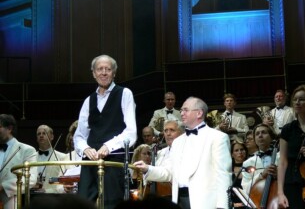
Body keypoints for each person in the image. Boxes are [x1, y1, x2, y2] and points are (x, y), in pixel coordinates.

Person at [134, 96, 231, 209]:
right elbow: (170, 172)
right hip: (179, 200)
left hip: (205, 202)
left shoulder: (218, 137)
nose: (182, 113)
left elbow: (223, 175)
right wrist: (148, 169)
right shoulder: (178, 142)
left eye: (185, 110)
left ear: (199, 113)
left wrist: (223, 206)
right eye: (181, 110)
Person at [73, 54, 137, 209]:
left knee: (112, 204)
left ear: (114, 73)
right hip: (90, 162)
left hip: (113, 161)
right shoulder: (88, 100)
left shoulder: (125, 93)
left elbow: (131, 132)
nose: (103, 72)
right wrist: (86, 148)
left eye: (108, 69)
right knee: (83, 204)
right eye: (99, 69)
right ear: (94, 73)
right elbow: (79, 136)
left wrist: (109, 146)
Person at [278, 84, 305, 209]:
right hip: (292, 181)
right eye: (295, 99)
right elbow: (282, 162)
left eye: (302, 99)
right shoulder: (288, 129)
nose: (297, 102)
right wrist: (280, 193)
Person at [0, 114, 37, 209]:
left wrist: (4, 186)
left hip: (10, 200)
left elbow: (31, 179)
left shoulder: (27, 150)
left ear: (9, 128)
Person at [241, 123, 279, 195]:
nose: (260, 135)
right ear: (255, 140)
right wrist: (261, 176)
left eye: (264, 132)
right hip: (258, 199)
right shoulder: (248, 163)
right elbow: (245, 189)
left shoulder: (282, 157)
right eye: (257, 134)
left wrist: (278, 175)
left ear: (272, 137)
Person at [32, 124, 68, 194]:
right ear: (36, 138)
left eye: (44, 133)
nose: (41, 135)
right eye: (39, 134)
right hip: (33, 197)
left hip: (54, 198)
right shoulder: (31, 157)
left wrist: (46, 191)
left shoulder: (62, 157)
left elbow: (63, 183)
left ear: (52, 137)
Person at [230, 140, 248, 208]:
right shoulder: (228, 170)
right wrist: (232, 204)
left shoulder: (252, 165)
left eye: (242, 149)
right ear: (232, 154)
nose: (240, 152)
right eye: (236, 150)